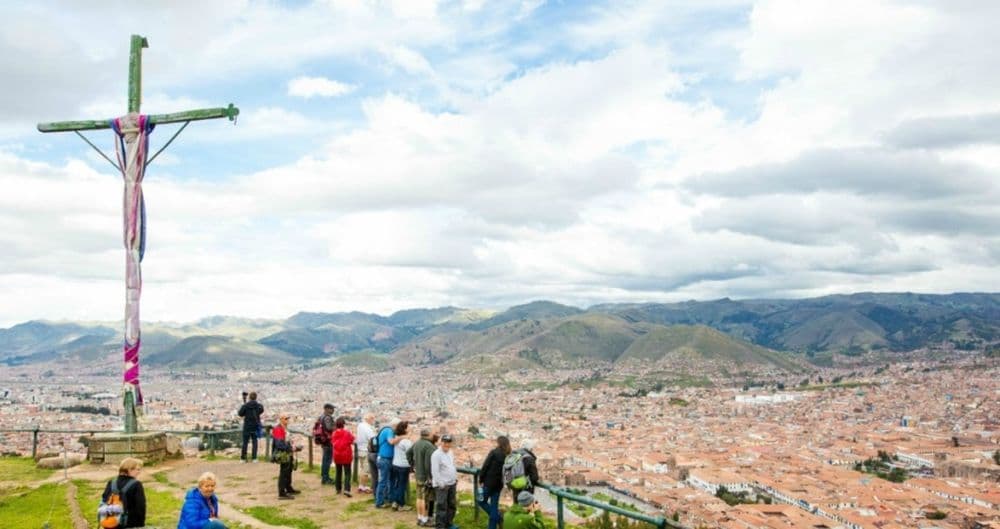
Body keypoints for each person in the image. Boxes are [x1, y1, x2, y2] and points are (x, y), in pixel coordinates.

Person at [100, 457, 146, 528]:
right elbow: (140, 508)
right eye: (137, 469)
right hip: (129, 524)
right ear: (129, 469)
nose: (139, 472)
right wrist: (140, 525)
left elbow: (104, 501)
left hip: (110, 522)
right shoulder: (136, 484)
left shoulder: (111, 483)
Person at [478, 436, 510, 529]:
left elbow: (485, 466)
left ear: (499, 443)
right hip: (498, 485)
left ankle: (498, 517)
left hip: (489, 483)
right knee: (494, 506)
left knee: (480, 500)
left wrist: (481, 479)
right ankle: (494, 523)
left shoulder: (494, 452)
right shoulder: (507, 456)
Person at [408, 429, 437, 527]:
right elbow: (428, 464)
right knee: (426, 498)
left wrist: (412, 465)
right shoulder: (429, 446)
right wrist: (430, 477)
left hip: (418, 475)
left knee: (419, 497)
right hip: (426, 477)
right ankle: (425, 520)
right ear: (428, 435)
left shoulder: (417, 443)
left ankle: (420, 517)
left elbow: (408, 453)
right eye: (432, 434)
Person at [374, 417, 403, 508]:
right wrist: (402, 437)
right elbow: (391, 442)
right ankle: (379, 502)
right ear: (395, 425)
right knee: (384, 481)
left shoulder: (387, 430)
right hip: (385, 459)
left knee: (390, 481)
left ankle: (388, 499)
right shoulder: (389, 431)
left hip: (386, 459)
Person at [272, 413, 301, 499]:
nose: (287, 420)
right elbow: (279, 444)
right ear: (281, 419)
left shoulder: (284, 428)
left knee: (289, 471)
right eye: (285, 418)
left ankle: (288, 487)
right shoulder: (278, 429)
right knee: (284, 472)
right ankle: (282, 492)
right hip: (283, 453)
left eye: (288, 418)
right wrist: (290, 448)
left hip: (288, 452)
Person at [431, 434, 458, 529]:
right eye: (445, 442)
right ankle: (440, 526)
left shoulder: (450, 452)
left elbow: (452, 465)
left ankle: (449, 524)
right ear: (441, 442)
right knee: (441, 507)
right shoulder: (436, 455)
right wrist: (441, 484)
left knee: (452, 505)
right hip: (442, 485)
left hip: (452, 483)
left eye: (448, 442)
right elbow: (435, 471)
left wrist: (455, 479)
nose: (447, 444)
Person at [391, 420, 413, 511]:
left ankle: (395, 502)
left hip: (395, 463)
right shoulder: (406, 442)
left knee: (397, 484)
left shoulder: (397, 438)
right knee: (401, 485)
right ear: (405, 429)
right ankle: (401, 505)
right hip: (403, 465)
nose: (410, 428)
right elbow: (411, 453)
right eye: (408, 427)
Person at [331, 416, 355, 496]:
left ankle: (338, 489)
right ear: (343, 425)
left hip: (337, 455)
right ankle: (347, 489)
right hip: (346, 455)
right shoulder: (347, 433)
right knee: (347, 472)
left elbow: (332, 442)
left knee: (338, 472)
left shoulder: (334, 433)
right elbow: (352, 439)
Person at [237, 391, 263, 462]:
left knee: (245, 442)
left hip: (247, 426)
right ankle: (254, 458)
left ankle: (243, 458)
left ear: (249, 397)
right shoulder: (258, 406)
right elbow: (261, 410)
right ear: (256, 397)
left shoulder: (246, 405)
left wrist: (246, 405)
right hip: (255, 426)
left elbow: (240, 414)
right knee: (255, 442)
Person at [355, 413, 377, 493]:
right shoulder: (367, 428)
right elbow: (372, 439)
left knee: (362, 469)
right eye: (372, 419)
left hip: (360, 449)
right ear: (368, 419)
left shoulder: (360, 425)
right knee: (366, 470)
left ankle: (361, 485)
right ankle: (362, 487)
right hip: (366, 450)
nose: (373, 421)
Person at [317, 403, 336, 484]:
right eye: (332, 408)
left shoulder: (321, 417)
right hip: (328, 441)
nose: (333, 410)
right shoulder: (327, 417)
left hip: (323, 440)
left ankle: (324, 476)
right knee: (327, 460)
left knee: (325, 459)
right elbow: (329, 428)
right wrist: (336, 427)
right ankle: (326, 478)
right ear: (327, 409)